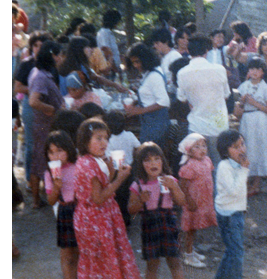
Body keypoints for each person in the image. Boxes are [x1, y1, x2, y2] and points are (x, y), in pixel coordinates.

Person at [73, 118, 140, 278]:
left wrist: (110, 170)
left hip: (95, 217)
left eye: (106, 138)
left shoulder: (89, 160)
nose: (104, 143)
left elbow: (103, 186)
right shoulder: (90, 165)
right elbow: (98, 198)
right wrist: (120, 178)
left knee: (101, 259)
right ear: (85, 140)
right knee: (105, 259)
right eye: (99, 138)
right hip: (97, 219)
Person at [128, 142, 186, 279]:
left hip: (168, 224)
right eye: (147, 160)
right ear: (141, 164)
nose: (153, 163)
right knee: (152, 265)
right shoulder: (138, 184)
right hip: (150, 225)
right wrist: (140, 200)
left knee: (175, 262)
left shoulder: (169, 180)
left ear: (162, 160)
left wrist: (174, 188)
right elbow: (131, 210)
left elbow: (181, 202)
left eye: (156, 158)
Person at [176, 34, 231, 167]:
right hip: (219, 125)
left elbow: (182, 98)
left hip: (197, 126)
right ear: (207, 51)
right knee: (219, 166)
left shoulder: (182, 73)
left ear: (188, 51)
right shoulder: (219, 69)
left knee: (197, 168)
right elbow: (226, 95)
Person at [28, 40, 65, 208]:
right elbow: (34, 101)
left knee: (42, 162)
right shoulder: (41, 76)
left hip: (48, 125)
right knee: (39, 163)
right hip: (45, 126)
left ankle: (45, 195)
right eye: (59, 54)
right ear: (52, 56)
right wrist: (50, 108)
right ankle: (37, 201)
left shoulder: (43, 73)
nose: (60, 58)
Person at [233, 57, 267, 196]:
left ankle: (256, 184)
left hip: (261, 120)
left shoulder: (265, 88)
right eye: (252, 69)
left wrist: (254, 103)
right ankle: (245, 183)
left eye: (258, 69)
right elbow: (238, 107)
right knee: (246, 148)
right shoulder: (244, 86)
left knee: (259, 150)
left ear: (263, 72)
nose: (254, 72)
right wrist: (242, 101)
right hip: (247, 119)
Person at [13, 30, 53, 180]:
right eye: (35, 45)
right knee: (32, 144)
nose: (38, 48)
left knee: (49, 143)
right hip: (31, 106)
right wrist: (37, 89)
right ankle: (31, 179)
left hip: (49, 106)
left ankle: (48, 179)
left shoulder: (52, 63)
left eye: (41, 45)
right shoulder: (27, 64)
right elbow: (17, 88)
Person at [177, 134, 217, 268]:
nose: (202, 149)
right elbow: (182, 185)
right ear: (189, 150)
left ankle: (190, 250)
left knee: (195, 228)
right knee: (190, 228)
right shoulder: (189, 166)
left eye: (204, 146)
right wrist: (189, 200)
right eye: (197, 146)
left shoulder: (207, 161)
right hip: (193, 202)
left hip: (203, 201)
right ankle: (187, 255)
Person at [214, 129, 249, 279]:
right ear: (226, 151)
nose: (241, 149)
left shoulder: (237, 165)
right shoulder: (224, 167)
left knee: (232, 250)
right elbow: (234, 191)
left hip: (235, 211)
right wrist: (244, 171)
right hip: (228, 215)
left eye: (242, 144)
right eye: (236, 147)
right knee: (236, 252)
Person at [44, 131, 79, 279]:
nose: (56, 156)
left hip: (81, 210)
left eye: (59, 150)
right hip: (64, 211)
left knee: (80, 252)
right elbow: (51, 201)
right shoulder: (49, 173)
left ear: (69, 150)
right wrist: (57, 187)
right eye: (51, 152)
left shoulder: (78, 166)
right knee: (67, 255)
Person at [125, 43, 171, 146]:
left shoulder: (154, 76)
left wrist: (140, 111)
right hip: (149, 122)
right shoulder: (148, 73)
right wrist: (135, 102)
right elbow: (150, 94)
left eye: (137, 61)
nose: (136, 65)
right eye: (133, 63)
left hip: (156, 124)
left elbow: (164, 101)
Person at [104, 110, 141, 226]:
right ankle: (127, 220)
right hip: (129, 170)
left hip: (116, 172)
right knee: (127, 195)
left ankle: (119, 221)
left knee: (117, 197)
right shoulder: (129, 135)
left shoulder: (108, 140)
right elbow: (139, 148)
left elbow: (108, 158)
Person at [58, 36, 127, 96]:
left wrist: (115, 85)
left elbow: (96, 77)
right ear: (80, 49)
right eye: (88, 47)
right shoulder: (78, 69)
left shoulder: (73, 65)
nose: (91, 50)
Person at [150, 27, 182, 92]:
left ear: (166, 42)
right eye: (154, 44)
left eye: (157, 43)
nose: (155, 46)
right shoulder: (162, 58)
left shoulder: (174, 56)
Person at [96, 9, 123, 80]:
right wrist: (116, 70)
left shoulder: (109, 33)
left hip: (113, 68)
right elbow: (107, 53)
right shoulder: (104, 33)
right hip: (109, 70)